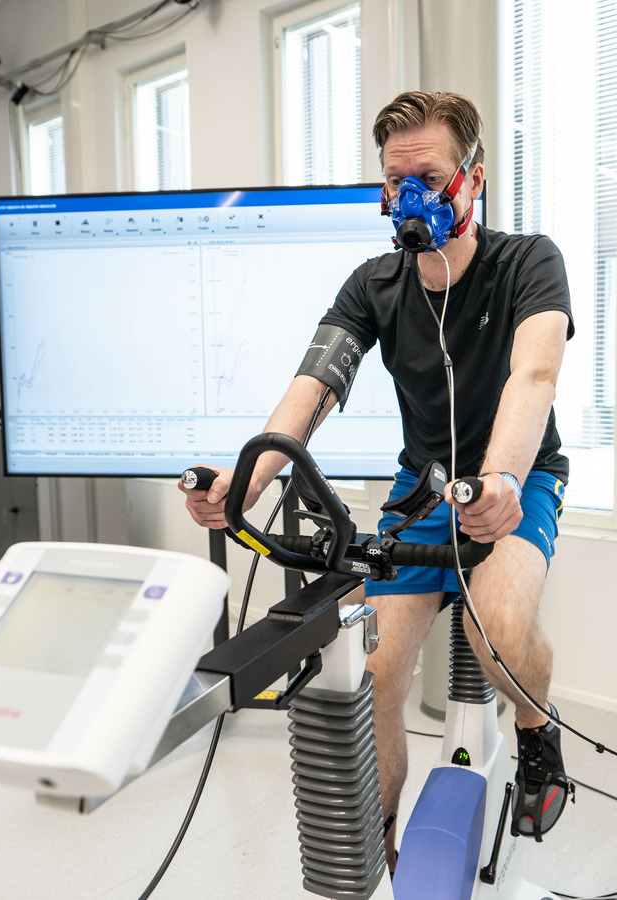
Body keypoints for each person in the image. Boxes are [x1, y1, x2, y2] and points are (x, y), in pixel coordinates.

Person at [181, 90, 574, 868]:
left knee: (491, 636)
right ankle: (383, 854)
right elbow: (311, 389)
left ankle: (537, 734)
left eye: (427, 176)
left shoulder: (529, 261)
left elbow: (534, 376)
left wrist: (498, 478)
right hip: (423, 489)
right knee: (372, 675)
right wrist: (248, 483)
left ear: (473, 179)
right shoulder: (374, 284)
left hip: (519, 479)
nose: (410, 198)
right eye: (396, 183)